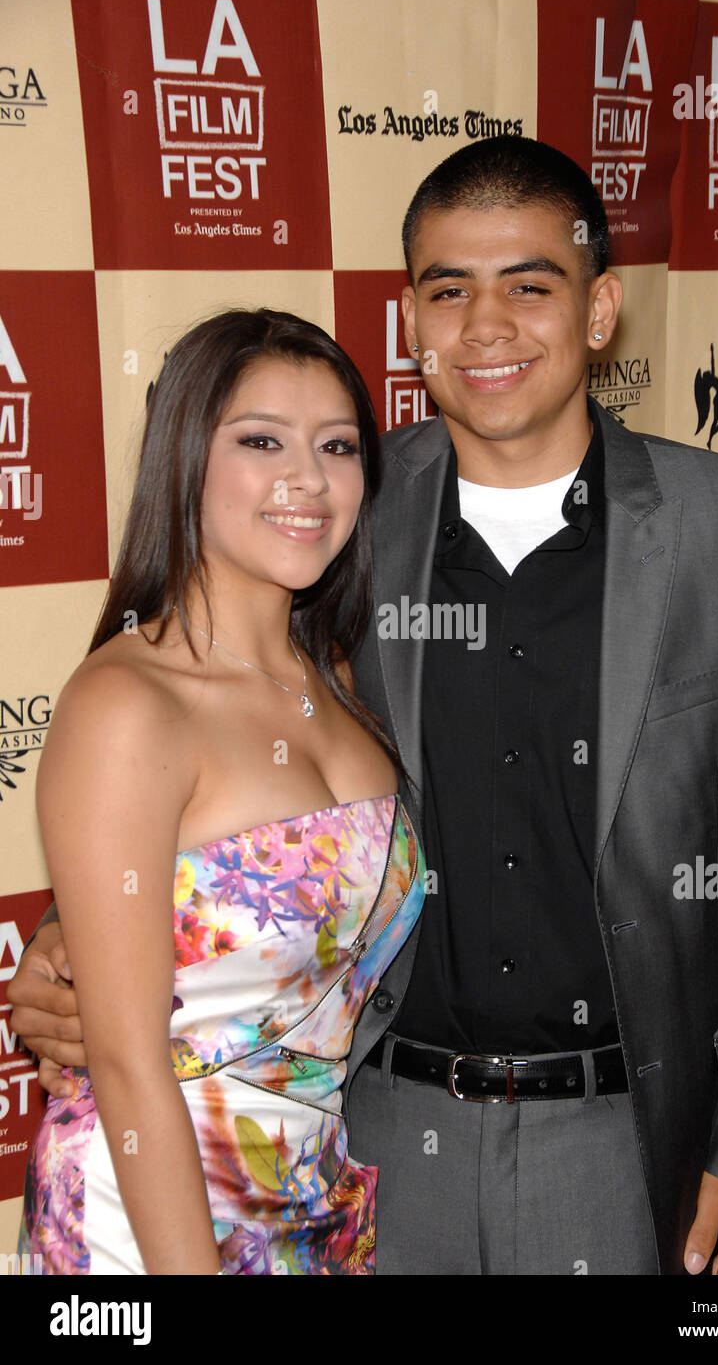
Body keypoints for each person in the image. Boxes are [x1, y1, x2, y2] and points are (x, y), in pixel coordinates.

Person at [11, 139, 718, 1276]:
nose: (484, 325)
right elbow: (202, 771)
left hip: (621, 1131)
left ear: (599, 310)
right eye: (448, 289)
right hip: (375, 1133)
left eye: (529, 285)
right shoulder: (340, 510)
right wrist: (79, 947)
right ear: (410, 319)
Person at [13, 308, 425, 1275]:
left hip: (321, 1200)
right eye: (259, 441)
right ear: (184, 460)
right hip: (150, 1219)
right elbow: (123, 1064)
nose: (307, 480)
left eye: (336, 445)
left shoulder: (339, 680)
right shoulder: (125, 702)